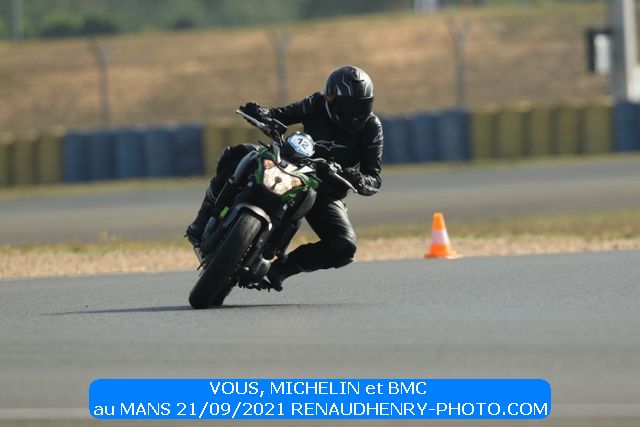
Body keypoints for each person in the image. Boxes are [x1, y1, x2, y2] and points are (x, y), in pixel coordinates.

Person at [186, 65, 384, 291]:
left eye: (361, 105)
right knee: (239, 153)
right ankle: (203, 220)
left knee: (344, 245)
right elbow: (282, 114)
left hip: (325, 190)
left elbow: (374, 178)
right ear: (332, 99)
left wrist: (358, 178)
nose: (354, 112)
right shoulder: (317, 103)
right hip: (290, 166)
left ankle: (279, 270)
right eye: (348, 105)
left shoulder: (372, 127)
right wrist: (263, 113)